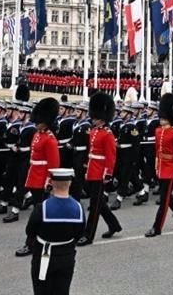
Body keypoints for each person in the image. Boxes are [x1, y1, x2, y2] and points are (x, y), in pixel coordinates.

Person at [25, 168, 85, 295]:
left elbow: (30, 231)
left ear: (51, 183)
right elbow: (79, 233)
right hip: (66, 255)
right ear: (70, 183)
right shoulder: (78, 208)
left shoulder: (42, 208)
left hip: (43, 255)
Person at [15, 98, 61, 256]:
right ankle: (45, 239)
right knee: (40, 213)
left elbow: (53, 163)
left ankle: (32, 243)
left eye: (39, 121)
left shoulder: (49, 139)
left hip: (42, 179)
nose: (36, 123)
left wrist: (49, 181)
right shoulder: (37, 134)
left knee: (38, 214)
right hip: (34, 176)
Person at [77, 92, 121, 245]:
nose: (93, 119)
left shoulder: (108, 134)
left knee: (94, 205)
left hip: (100, 171)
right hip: (91, 168)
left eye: (95, 117)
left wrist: (108, 173)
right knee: (98, 202)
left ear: (102, 117)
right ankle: (114, 225)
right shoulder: (94, 131)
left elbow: (111, 156)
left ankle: (88, 235)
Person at [145, 93, 173, 237]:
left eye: (163, 117)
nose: (160, 119)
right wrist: (157, 166)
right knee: (168, 197)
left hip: (171, 168)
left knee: (164, 200)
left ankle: (157, 227)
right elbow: (158, 151)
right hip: (161, 167)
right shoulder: (158, 131)